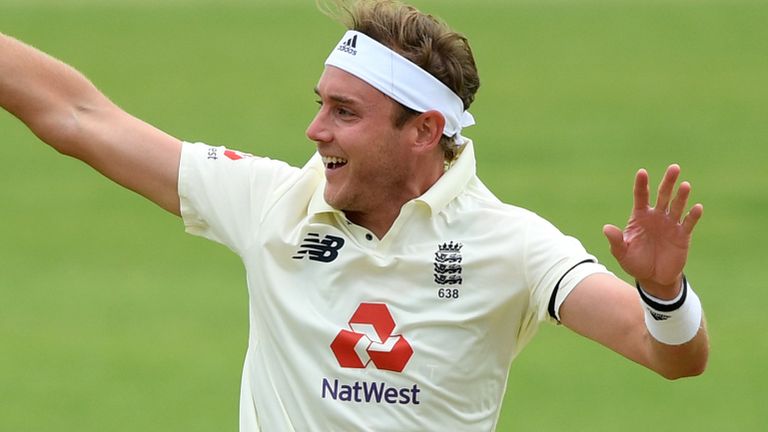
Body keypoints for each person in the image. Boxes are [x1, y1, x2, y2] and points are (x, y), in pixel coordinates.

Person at [1, 0, 708, 430]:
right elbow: (78, 117)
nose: (315, 131)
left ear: (424, 131)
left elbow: (670, 357)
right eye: (320, 103)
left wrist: (664, 294)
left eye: (344, 113)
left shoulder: (513, 246)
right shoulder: (273, 201)